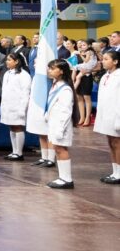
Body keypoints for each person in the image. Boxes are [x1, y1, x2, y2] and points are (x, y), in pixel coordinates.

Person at [45, 59, 76, 189]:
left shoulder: (65, 89)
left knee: (61, 149)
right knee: (57, 149)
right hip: (54, 122)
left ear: (61, 71)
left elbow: (66, 111)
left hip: (61, 125)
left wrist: (60, 128)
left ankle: (67, 179)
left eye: (52, 68)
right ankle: (62, 177)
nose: (49, 70)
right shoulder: (55, 85)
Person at [0, 52, 32, 161]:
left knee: (18, 127)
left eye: (9, 60)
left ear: (17, 61)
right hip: (8, 105)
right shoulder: (7, 73)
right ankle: (14, 151)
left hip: (18, 106)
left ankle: (19, 152)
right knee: (11, 127)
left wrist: (23, 108)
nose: (6, 62)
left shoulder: (24, 75)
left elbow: (25, 93)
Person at [93, 49, 120, 184]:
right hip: (106, 114)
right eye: (102, 59)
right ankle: (115, 171)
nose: (102, 61)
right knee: (111, 143)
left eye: (106, 59)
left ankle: (119, 173)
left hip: (116, 115)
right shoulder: (105, 76)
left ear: (115, 62)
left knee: (117, 143)